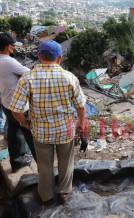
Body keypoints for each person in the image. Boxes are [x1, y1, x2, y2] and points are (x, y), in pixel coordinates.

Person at [9, 40, 86, 205]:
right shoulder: (69, 77)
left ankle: (46, 196)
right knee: (66, 162)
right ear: (59, 58)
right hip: (65, 130)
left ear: (39, 56)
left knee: (44, 166)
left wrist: (25, 123)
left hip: (41, 132)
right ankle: (64, 192)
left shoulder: (27, 78)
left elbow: (16, 110)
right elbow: (80, 105)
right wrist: (81, 122)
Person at [0, 32, 36, 172]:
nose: (14, 48)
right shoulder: (8, 61)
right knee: (29, 132)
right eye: (12, 46)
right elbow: (29, 73)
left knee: (14, 132)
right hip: (18, 105)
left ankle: (16, 161)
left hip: (6, 101)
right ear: (8, 46)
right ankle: (39, 161)